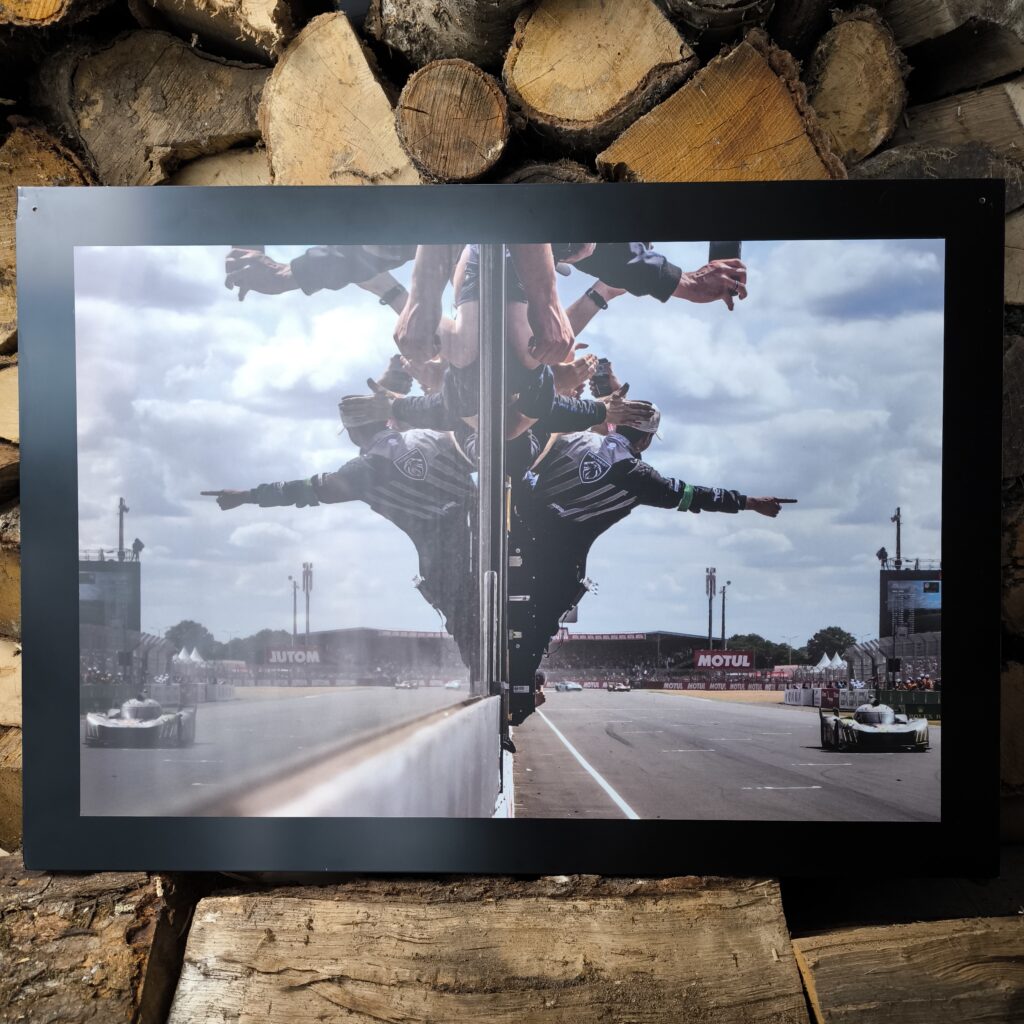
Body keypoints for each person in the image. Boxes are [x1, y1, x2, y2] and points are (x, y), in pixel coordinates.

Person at [505, 409, 794, 723]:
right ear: (645, 441)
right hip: (555, 560)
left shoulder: (576, 438)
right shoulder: (639, 476)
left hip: (514, 534)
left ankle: (514, 683)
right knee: (538, 629)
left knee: (517, 622)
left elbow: (529, 464)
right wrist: (750, 502)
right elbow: (694, 496)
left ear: (617, 425)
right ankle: (519, 697)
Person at [202, 396, 479, 676]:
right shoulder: (433, 437)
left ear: (353, 433)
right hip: (487, 539)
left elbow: (304, 490)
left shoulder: (363, 471)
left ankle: (482, 675)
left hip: (447, 566)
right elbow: (478, 450)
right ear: (385, 420)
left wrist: (248, 496)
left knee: (471, 635)